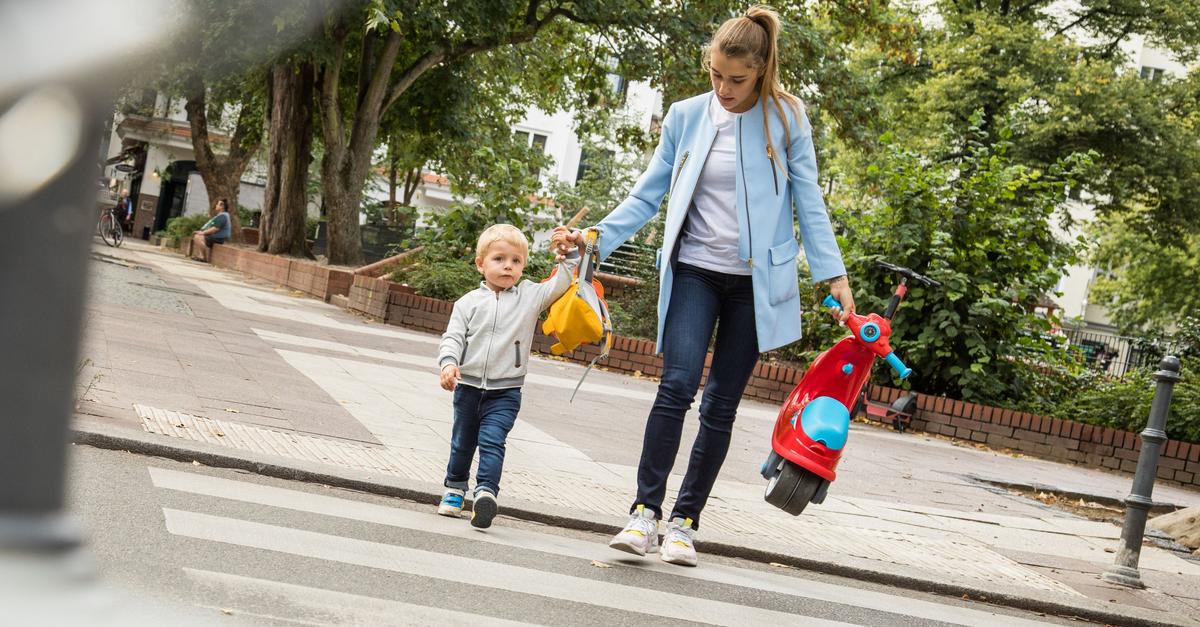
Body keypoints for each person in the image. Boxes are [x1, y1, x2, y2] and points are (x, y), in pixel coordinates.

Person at [561, 6, 856, 567]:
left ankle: (684, 523)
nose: (723, 88)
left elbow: (809, 202)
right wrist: (595, 236)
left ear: (762, 69)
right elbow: (649, 194)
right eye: (715, 75)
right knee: (675, 385)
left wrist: (833, 273)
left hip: (754, 282)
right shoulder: (685, 116)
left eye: (736, 79)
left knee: (721, 405)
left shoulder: (787, 119)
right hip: (694, 270)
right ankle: (643, 513)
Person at [435, 224, 581, 529]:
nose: (507, 266)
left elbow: (562, 281)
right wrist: (448, 364)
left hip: (506, 391)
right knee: (462, 442)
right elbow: (453, 337)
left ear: (523, 265)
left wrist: (568, 253)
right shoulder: (468, 303)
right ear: (481, 263)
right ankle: (454, 489)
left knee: (492, 440)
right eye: (499, 259)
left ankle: (486, 492)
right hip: (469, 387)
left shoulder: (529, 296)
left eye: (515, 261)